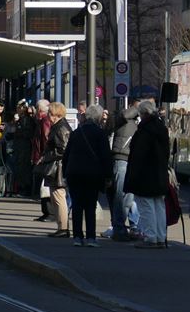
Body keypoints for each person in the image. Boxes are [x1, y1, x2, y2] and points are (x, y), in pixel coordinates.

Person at [124, 98, 170, 249]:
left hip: (145, 174)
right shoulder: (161, 127)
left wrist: (133, 176)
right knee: (159, 205)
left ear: (142, 113)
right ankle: (161, 237)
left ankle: (151, 237)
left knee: (146, 206)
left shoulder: (144, 130)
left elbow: (138, 155)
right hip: (160, 173)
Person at [64, 104, 112, 246]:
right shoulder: (100, 133)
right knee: (90, 206)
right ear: (99, 117)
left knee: (77, 206)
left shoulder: (76, 132)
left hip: (74, 173)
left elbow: (67, 154)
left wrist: (65, 173)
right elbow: (106, 156)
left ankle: (77, 237)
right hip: (92, 174)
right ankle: (91, 237)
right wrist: (108, 176)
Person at [105, 102, 139, 241]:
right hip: (123, 159)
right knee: (122, 196)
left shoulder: (121, 121)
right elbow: (125, 114)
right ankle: (119, 229)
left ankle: (118, 227)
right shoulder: (125, 120)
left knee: (121, 196)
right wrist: (138, 108)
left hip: (121, 159)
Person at [37, 101, 72, 238]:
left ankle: (63, 228)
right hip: (57, 166)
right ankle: (61, 226)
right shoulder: (59, 126)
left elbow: (63, 149)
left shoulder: (61, 128)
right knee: (56, 197)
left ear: (56, 114)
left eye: (50, 113)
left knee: (58, 197)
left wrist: (46, 156)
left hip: (58, 167)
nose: (48, 116)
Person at [31, 99, 54, 221]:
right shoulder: (44, 121)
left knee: (44, 185)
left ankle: (49, 212)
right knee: (44, 185)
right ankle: (47, 212)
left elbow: (45, 138)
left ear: (40, 110)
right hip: (43, 157)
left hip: (43, 158)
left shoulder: (44, 121)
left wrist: (42, 156)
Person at [11, 101, 35, 198]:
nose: (17, 109)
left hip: (24, 147)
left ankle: (25, 188)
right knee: (20, 167)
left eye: (19, 108)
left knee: (24, 168)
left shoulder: (26, 120)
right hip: (20, 146)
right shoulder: (22, 119)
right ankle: (21, 187)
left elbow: (28, 133)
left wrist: (18, 132)